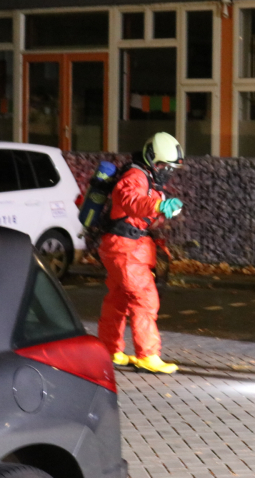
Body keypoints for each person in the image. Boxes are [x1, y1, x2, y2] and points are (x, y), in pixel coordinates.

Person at [98, 132, 184, 374]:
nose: (166, 171)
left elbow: (141, 203)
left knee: (118, 299)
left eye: (169, 167)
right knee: (145, 299)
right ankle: (147, 355)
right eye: (164, 166)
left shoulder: (145, 176)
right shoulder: (136, 176)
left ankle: (110, 350)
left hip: (122, 246)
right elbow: (130, 200)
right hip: (125, 249)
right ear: (152, 159)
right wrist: (159, 206)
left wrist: (163, 205)